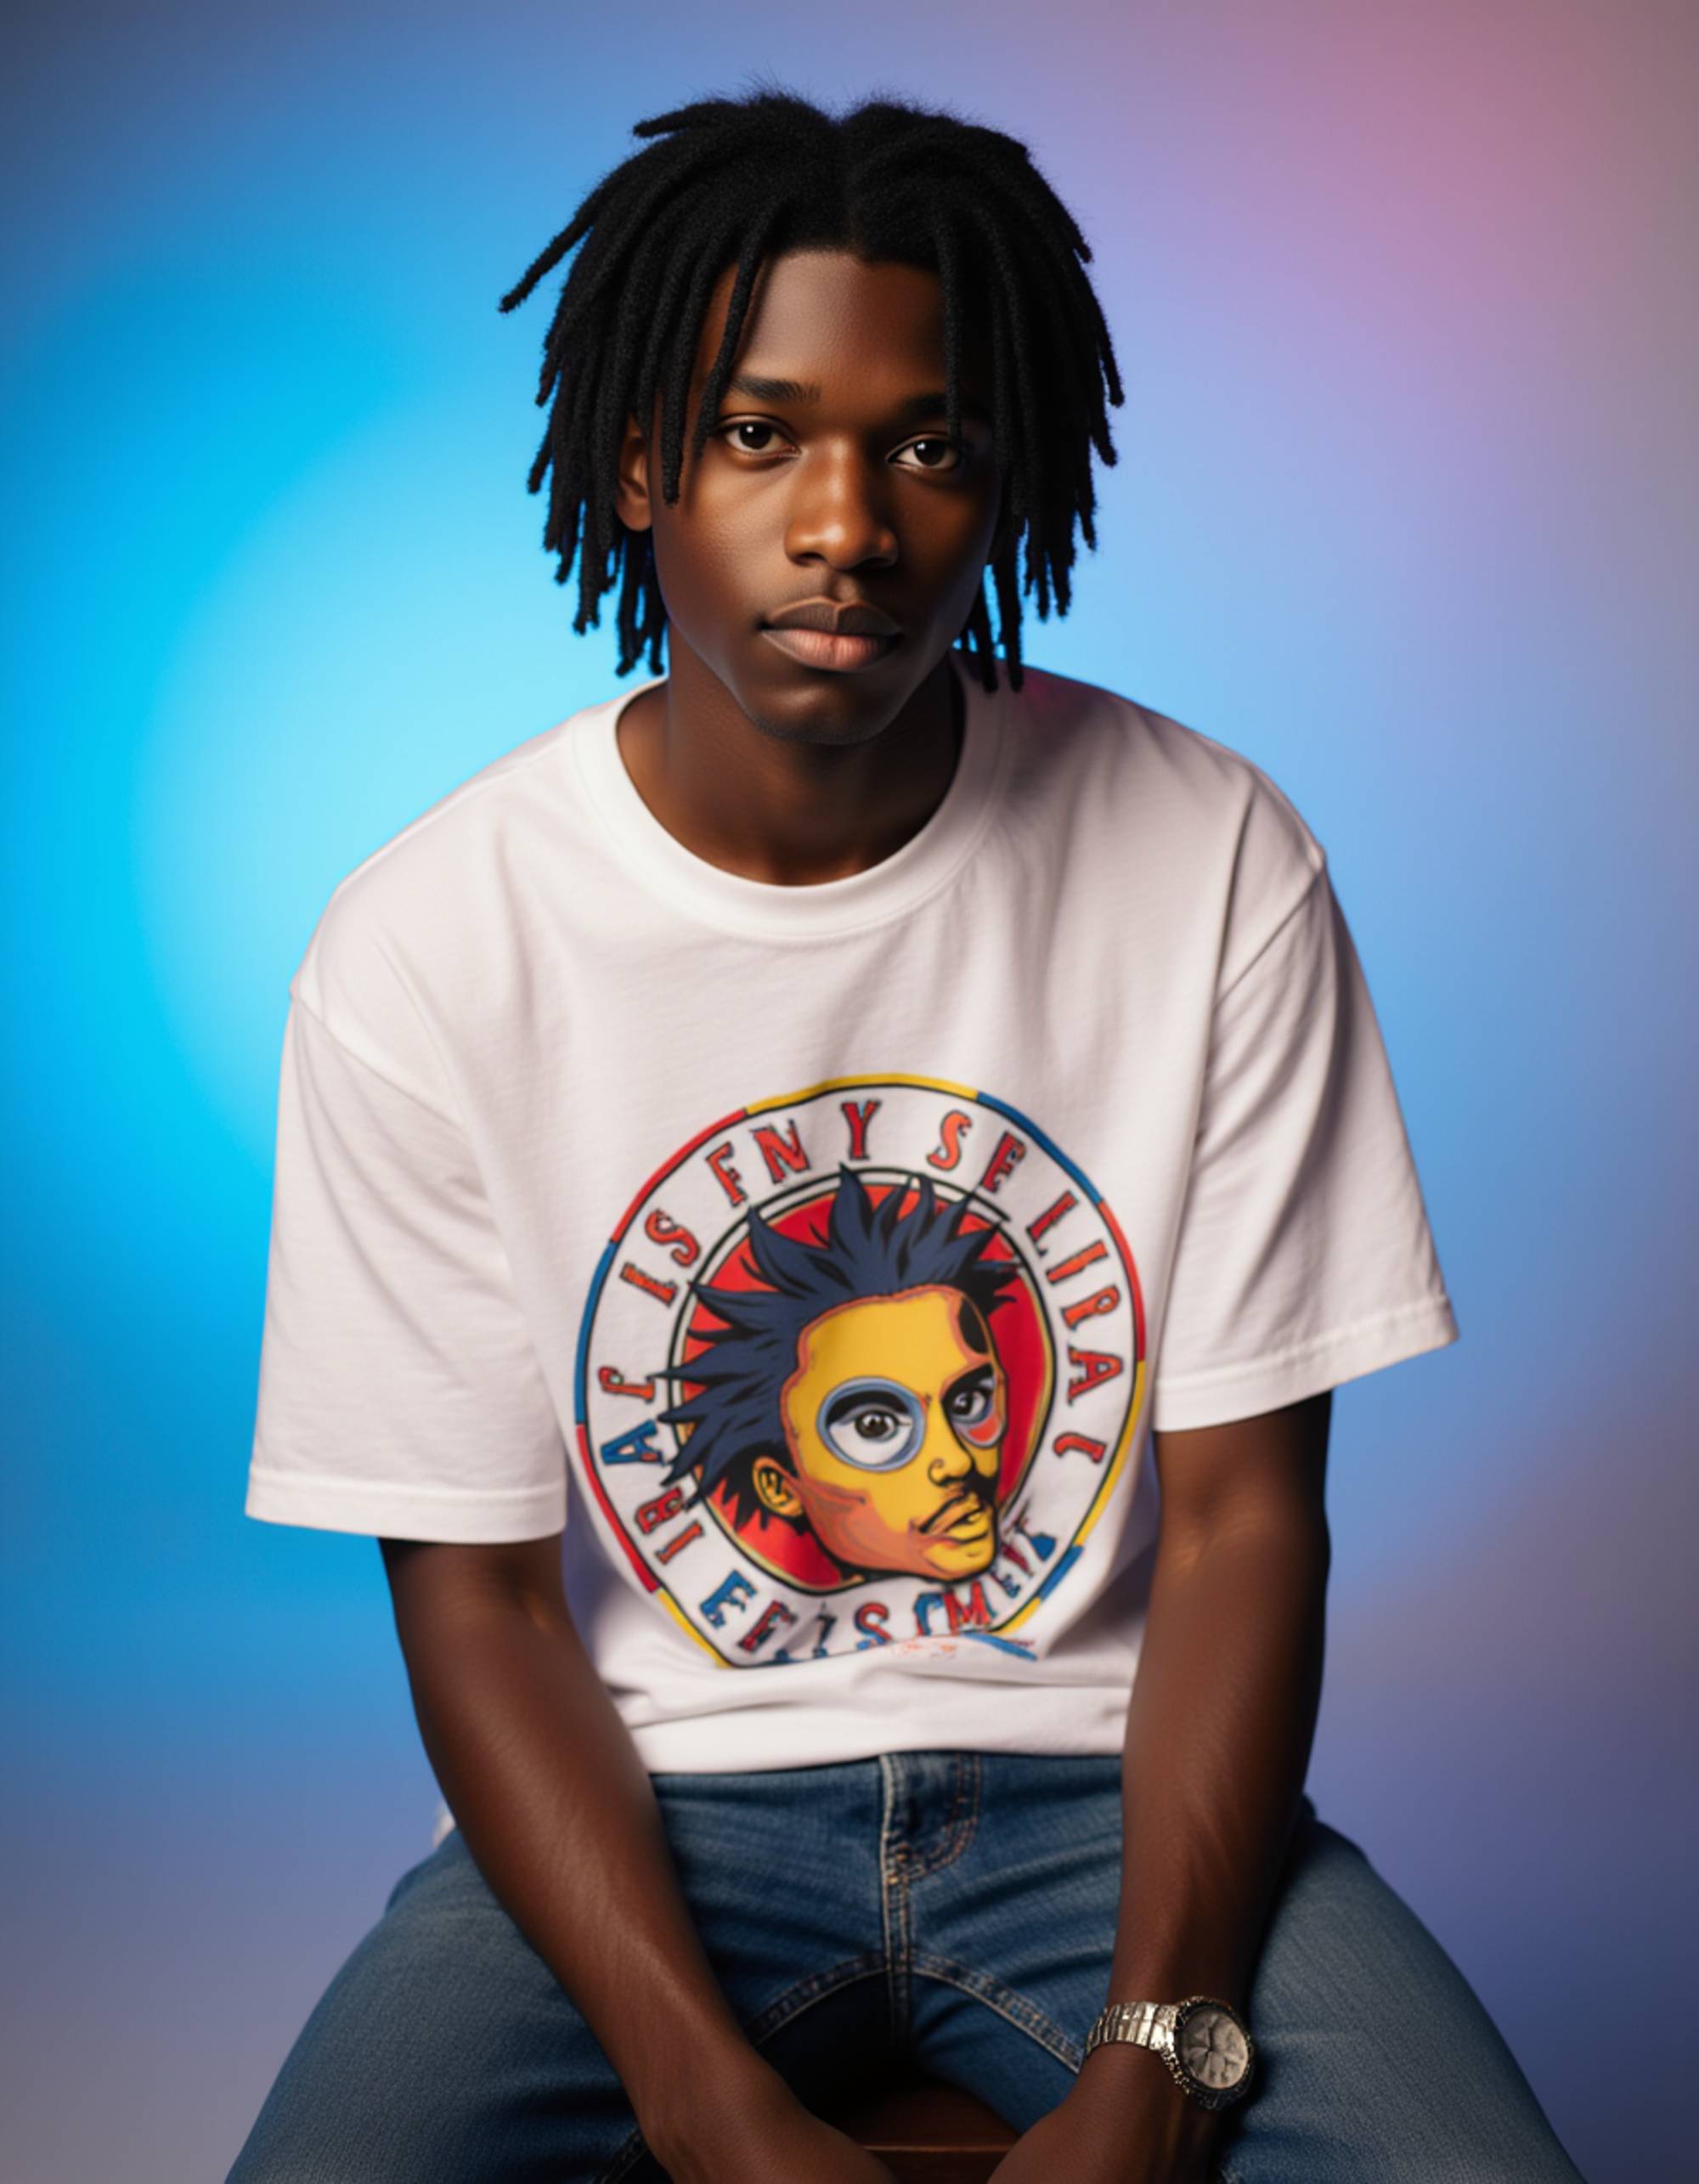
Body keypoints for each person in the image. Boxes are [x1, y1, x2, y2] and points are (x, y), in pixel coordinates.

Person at [228, 82, 1586, 2184]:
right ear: (637, 463)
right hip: (650, 1806)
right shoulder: (429, 942)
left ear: (1007, 474)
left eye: (928, 442)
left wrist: (1153, 2056)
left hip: (1109, 1799)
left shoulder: (1211, 861)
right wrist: (694, 2088)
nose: (847, 523)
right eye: (759, 433)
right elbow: (478, 1607)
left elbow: (1240, 1527)